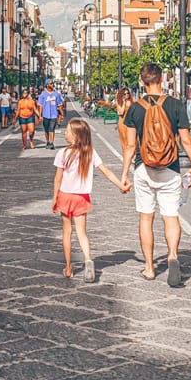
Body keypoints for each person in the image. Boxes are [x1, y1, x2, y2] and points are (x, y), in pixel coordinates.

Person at [121, 63, 191, 288]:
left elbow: (129, 145)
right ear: (162, 79)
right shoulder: (175, 105)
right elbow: (185, 140)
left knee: (146, 217)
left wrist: (124, 173)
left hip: (143, 168)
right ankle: (173, 255)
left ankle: (149, 267)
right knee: (170, 216)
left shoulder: (135, 109)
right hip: (171, 169)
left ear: (142, 81)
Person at [51, 119, 130, 282]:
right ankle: (88, 259)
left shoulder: (63, 153)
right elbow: (107, 172)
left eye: (68, 132)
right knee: (82, 233)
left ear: (76, 136)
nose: (65, 134)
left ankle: (68, 267)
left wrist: (55, 198)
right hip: (81, 197)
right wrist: (120, 185)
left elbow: (57, 179)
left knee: (67, 232)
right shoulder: (90, 153)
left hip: (65, 195)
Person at [37, 79, 65, 150]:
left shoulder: (56, 94)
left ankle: (51, 142)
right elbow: (40, 106)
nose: (52, 85)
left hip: (54, 114)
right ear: (47, 85)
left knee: (52, 129)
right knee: (46, 130)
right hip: (45, 114)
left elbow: (59, 105)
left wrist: (62, 114)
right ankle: (47, 142)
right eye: (51, 83)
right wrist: (39, 116)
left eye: (53, 83)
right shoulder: (43, 94)